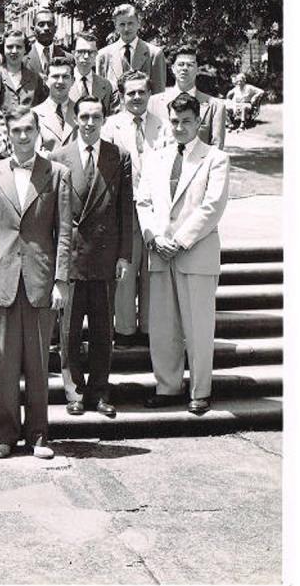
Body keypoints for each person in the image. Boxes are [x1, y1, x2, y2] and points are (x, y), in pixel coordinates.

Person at [0, 106, 72, 459]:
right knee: (5, 362)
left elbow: (64, 233)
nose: (22, 136)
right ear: (7, 133)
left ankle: (38, 434)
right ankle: (4, 435)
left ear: (38, 132)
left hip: (40, 279)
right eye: (16, 130)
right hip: (1, 277)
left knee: (37, 363)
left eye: (28, 129)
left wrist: (61, 280)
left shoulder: (57, 173)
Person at [137, 92, 230, 415]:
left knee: (198, 327)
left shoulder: (214, 158)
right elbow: (144, 202)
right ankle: (167, 386)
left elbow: (212, 206)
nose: (179, 127)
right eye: (174, 122)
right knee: (164, 327)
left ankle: (200, 390)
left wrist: (180, 239)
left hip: (196, 254)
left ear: (199, 121)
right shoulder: (155, 158)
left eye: (186, 122)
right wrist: (153, 236)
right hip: (160, 253)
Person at [49, 96, 133, 418]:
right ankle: (74, 391)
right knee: (69, 330)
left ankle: (99, 391)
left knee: (102, 331)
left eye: (95, 116)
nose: (89, 123)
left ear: (104, 119)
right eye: (83, 116)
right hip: (70, 256)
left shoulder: (118, 156)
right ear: (75, 119)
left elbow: (126, 209)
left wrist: (124, 256)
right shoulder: (59, 157)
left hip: (104, 255)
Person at [101, 70, 167, 346]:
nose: (137, 97)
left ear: (150, 93)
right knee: (126, 268)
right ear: (121, 96)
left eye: (142, 91)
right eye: (131, 93)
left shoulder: (164, 126)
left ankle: (150, 328)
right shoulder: (110, 127)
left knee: (152, 269)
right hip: (123, 209)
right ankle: (125, 330)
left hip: (155, 208)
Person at [148, 44, 226, 149]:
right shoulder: (154, 102)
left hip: (198, 164)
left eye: (190, 65)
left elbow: (217, 148)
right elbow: (148, 141)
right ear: (173, 68)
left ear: (197, 69)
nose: (185, 68)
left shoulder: (215, 106)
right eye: (181, 64)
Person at [95, 3, 167, 94]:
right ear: (115, 26)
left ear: (138, 24)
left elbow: (159, 95)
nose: (126, 29)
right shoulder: (103, 56)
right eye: (122, 24)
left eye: (130, 23)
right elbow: (101, 95)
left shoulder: (154, 54)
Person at [32, 56, 78, 153]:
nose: (60, 81)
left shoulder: (81, 112)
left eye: (65, 77)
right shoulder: (34, 114)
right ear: (46, 80)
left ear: (73, 81)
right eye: (55, 76)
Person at [70, 32, 117, 115]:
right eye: (81, 51)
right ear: (73, 53)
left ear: (96, 55)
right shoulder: (63, 83)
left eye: (91, 52)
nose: (86, 56)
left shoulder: (107, 86)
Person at [0, 28, 48, 109]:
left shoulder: (36, 79)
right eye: (9, 47)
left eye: (19, 47)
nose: (14, 51)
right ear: (3, 48)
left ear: (25, 49)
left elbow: (43, 109)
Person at [23, 8, 69, 80]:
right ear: (33, 29)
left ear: (55, 28)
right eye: (41, 25)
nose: (46, 28)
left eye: (50, 24)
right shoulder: (23, 59)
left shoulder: (68, 58)